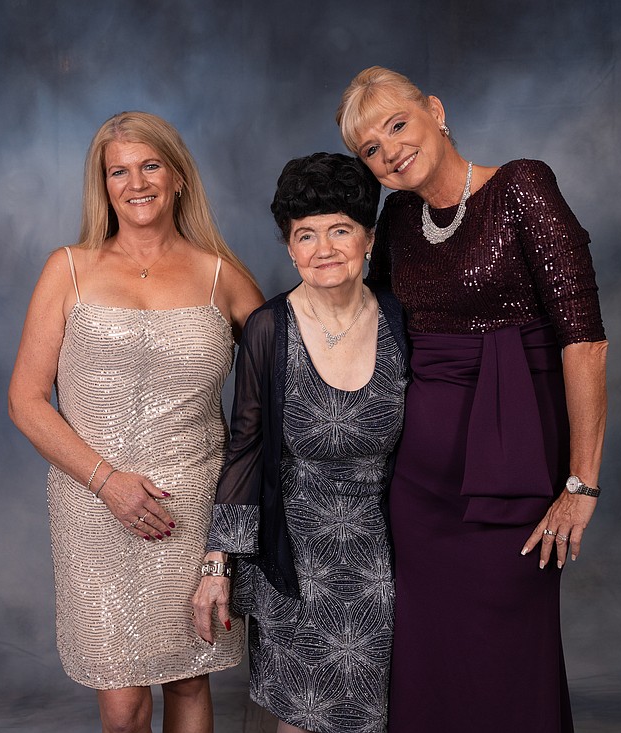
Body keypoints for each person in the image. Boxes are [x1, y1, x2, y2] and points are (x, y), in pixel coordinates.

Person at [336, 66, 609, 732]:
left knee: (512, 651)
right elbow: (362, 317)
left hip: (514, 471)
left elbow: (585, 341)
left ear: (435, 109)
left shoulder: (522, 186)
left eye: (397, 125)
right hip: (420, 485)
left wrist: (581, 483)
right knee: (427, 655)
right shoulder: (397, 218)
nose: (390, 150)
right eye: (371, 148)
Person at [8, 111, 264, 733]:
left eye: (150, 165)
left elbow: (277, 394)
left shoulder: (221, 278)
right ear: (104, 184)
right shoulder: (67, 268)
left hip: (192, 508)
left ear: (177, 176)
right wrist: (107, 481)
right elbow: (26, 400)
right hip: (94, 505)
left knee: (188, 677)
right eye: (118, 171)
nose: (136, 182)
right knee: (121, 706)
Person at [191, 152, 408, 733]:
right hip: (296, 557)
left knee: (377, 715)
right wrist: (218, 564)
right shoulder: (268, 328)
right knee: (304, 718)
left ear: (368, 237)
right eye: (305, 235)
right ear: (290, 248)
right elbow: (246, 448)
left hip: (389, 558)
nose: (324, 248)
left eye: (340, 229)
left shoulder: (400, 320)